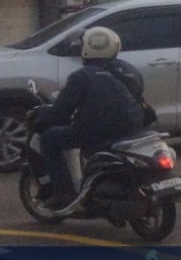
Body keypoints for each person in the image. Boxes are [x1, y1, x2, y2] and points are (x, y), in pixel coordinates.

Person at [34, 26, 148, 207]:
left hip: (96, 130)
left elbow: (61, 112)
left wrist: (42, 113)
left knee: (50, 138)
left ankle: (63, 193)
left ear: (86, 48)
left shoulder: (81, 76)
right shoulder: (129, 70)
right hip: (133, 127)